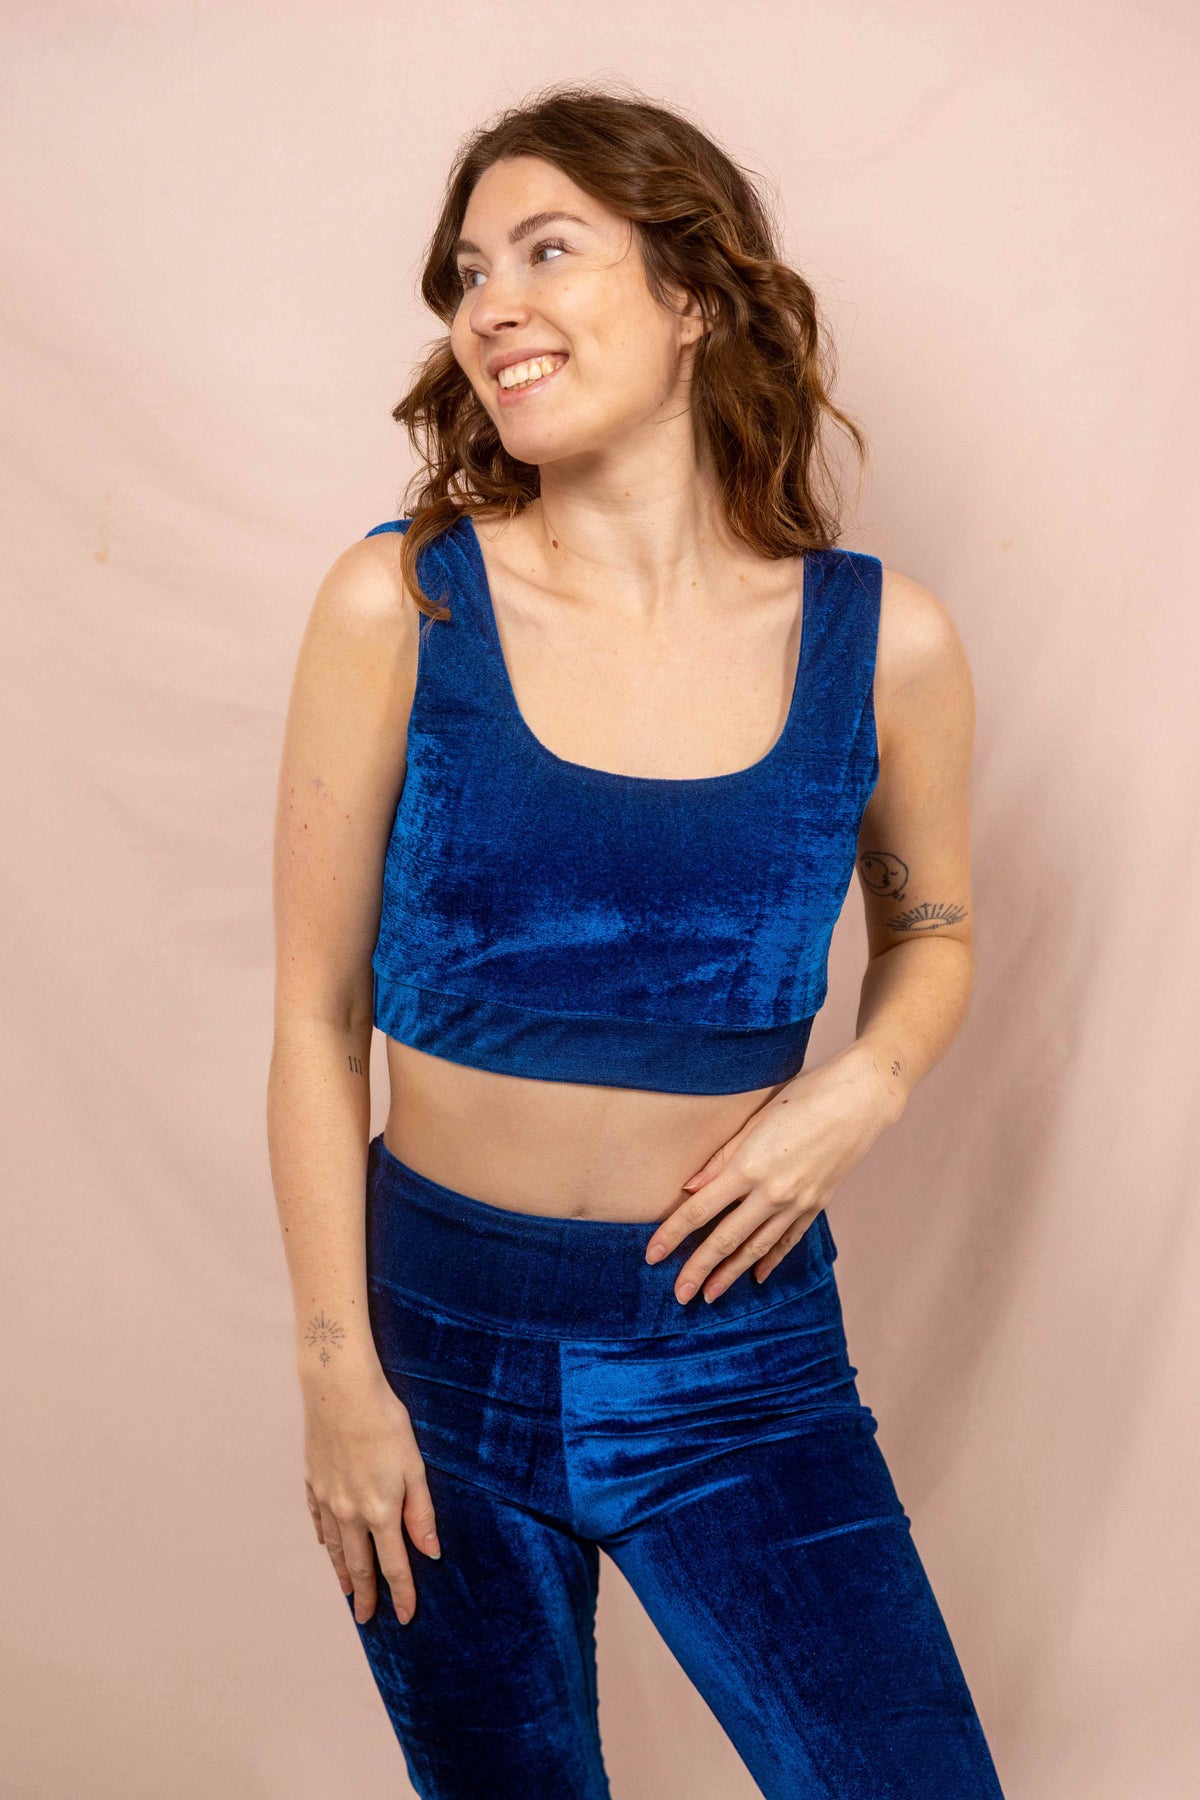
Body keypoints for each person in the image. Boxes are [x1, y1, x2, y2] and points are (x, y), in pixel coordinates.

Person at [267, 81, 1006, 1800]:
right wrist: (337, 1379)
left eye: (547, 251)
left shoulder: (884, 643)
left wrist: (861, 1089)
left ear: (694, 297)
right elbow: (313, 1017)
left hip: (737, 1350)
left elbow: (937, 931)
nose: (490, 307)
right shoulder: (401, 602)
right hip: (433, 1348)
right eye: (468, 274)